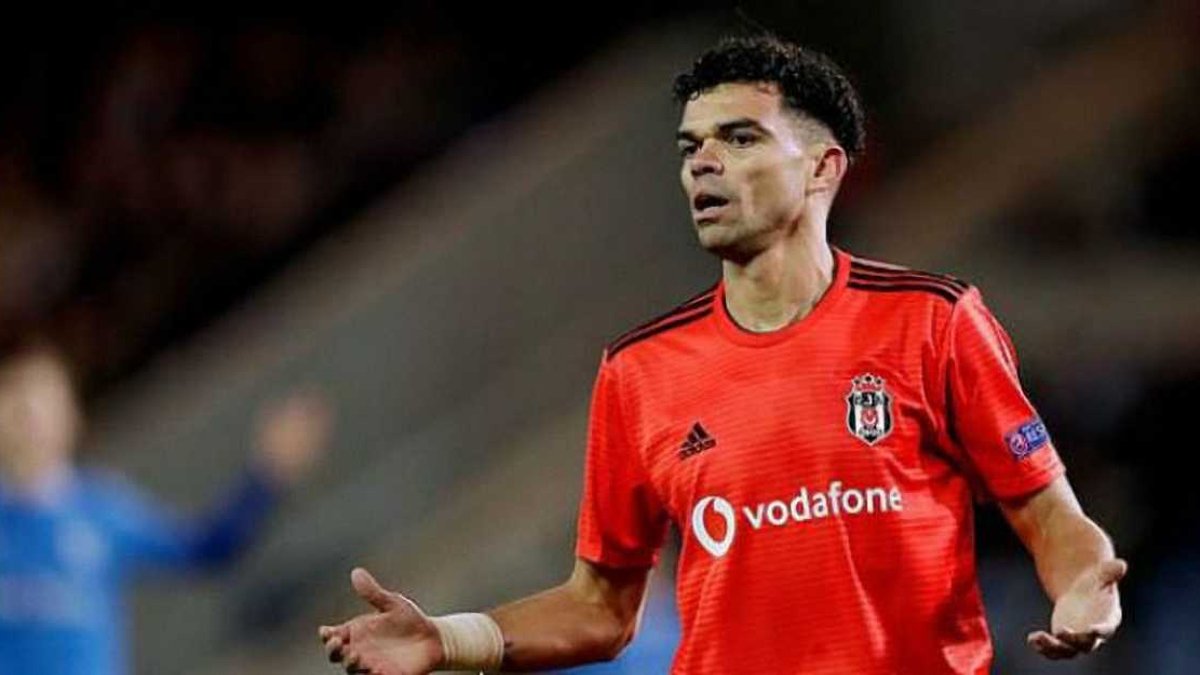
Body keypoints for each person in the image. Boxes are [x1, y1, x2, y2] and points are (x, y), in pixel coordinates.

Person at [319, 35, 1125, 674]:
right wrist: (449, 637)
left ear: (823, 168)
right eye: (690, 146)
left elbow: (1048, 514)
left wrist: (1084, 581)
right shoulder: (638, 371)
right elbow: (601, 606)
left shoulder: (933, 322)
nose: (702, 162)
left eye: (738, 138)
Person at [0, 342, 332, 675]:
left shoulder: (101, 511)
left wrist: (265, 480)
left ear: (71, 414)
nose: (30, 418)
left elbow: (205, 549)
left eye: (42, 400)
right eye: (17, 401)